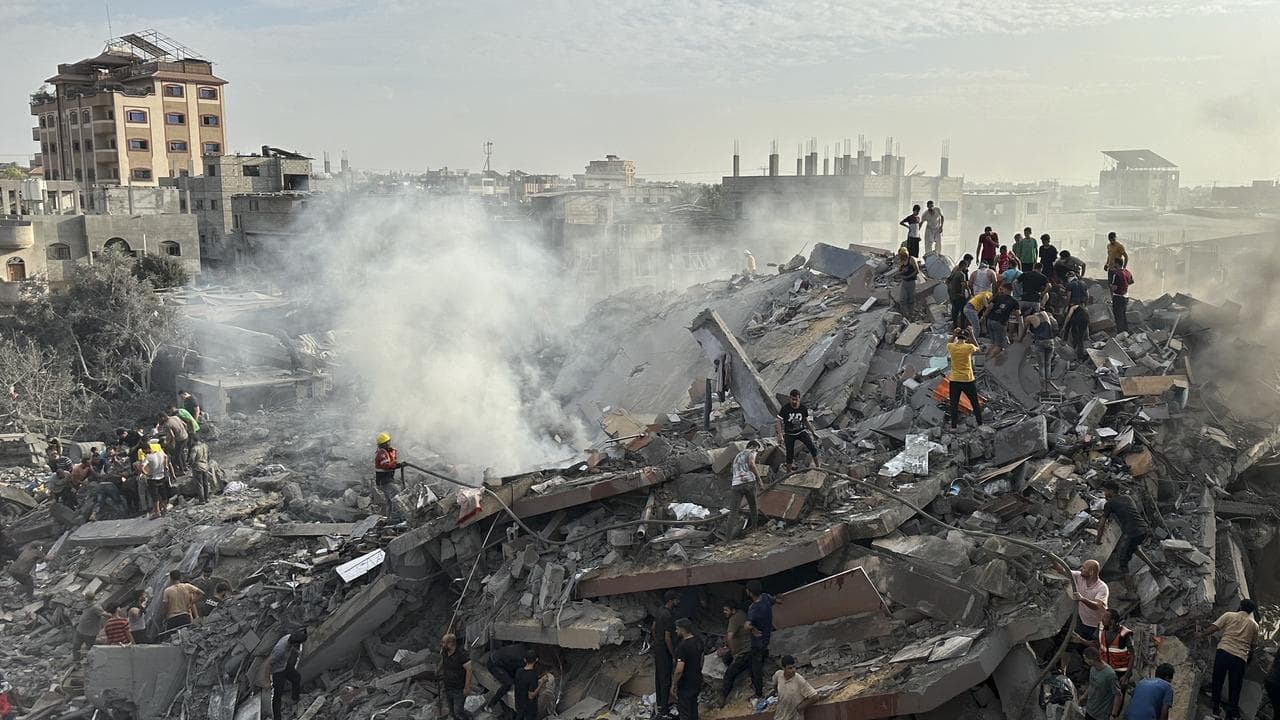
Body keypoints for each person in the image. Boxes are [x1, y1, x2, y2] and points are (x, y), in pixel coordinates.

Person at [1199, 599, 1259, 720]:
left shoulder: (1229, 615)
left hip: (1224, 651)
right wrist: (1249, 659)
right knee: (1235, 687)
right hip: (1240, 658)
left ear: (1240, 606)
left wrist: (1201, 634)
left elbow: (1214, 628)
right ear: (1252, 611)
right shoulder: (1254, 625)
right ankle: (1230, 715)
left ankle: (1215, 709)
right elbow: (1253, 646)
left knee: (1217, 681)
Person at [1097, 480, 1150, 592]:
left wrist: (1098, 540)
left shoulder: (1109, 504)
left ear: (1111, 491)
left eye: (1105, 491)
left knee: (1122, 561)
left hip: (1132, 533)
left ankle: (1130, 593)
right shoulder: (1127, 497)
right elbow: (1128, 511)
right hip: (1144, 529)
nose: (1104, 494)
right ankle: (1154, 568)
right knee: (1134, 548)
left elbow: (1101, 524)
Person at [1068, 560, 1108, 667]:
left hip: (1096, 625)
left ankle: (1090, 669)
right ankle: (1064, 669)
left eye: (1084, 568)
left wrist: (1082, 599)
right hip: (1082, 620)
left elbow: (1097, 606)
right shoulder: (1079, 576)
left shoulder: (1102, 588)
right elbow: (1063, 570)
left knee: (1093, 650)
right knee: (1070, 644)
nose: (1081, 569)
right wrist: (1052, 558)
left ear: (1091, 572)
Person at [946, 327, 982, 429]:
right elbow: (978, 348)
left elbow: (948, 343)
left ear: (958, 337)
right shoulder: (969, 347)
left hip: (954, 380)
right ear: (966, 338)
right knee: (974, 402)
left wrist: (954, 334)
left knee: (954, 404)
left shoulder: (952, 347)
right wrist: (972, 334)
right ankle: (980, 423)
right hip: (967, 380)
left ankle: (953, 426)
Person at [727, 441, 762, 541]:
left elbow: (732, 471)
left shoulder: (737, 456)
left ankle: (727, 538)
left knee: (733, 512)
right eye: (757, 449)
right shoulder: (751, 452)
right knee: (753, 505)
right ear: (753, 446)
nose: (757, 452)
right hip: (749, 482)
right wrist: (759, 480)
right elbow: (751, 464)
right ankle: (754, 529)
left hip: (736, 484)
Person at [670, 618, 704, 720]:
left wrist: (674, 684)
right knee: (693, 709)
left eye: (677, 629)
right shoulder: (699, 641)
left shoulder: (682, 647)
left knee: (685, 712)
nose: (676, 631)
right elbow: (701, 659)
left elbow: (679, 669)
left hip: (685, 684)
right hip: (697, 680)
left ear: (682, 629)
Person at [269, 630, 307, 720]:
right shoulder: (280, 650)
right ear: (294, 643)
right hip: (277, 672)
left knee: (297, 677)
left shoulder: (290, 637)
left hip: (285, 666)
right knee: (277, 696)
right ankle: (277, 718)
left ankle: (295, 698)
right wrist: (269, 679)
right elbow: (270, 663)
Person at [776, 390, 818, 470]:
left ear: (799, 398)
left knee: (812, 448)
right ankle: (788, 473)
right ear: (790, 398)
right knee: (790, 454)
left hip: (801, 432)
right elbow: (778, 421)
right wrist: (780, 435)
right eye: (793, 399)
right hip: (789, 434)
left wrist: (813, 432)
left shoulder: (803, 408)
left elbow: (805, 421)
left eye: (796, 399)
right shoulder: (785, 408)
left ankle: (818, 467)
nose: (794, 401)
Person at [653, 590, 679, 719]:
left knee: (659, 676)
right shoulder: (668, 616)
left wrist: (656, 640)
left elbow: (653, 627)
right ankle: (664, 708)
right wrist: (673, 654)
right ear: (671, 600)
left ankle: (659, 704)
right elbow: (668, 638)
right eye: (676, 599)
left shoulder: (659, 611)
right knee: (665, 678)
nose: (677, 602)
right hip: (664, 649)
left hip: (657, 647)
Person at [1078, 646, 1121, 720]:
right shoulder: (1093, 668)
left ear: (1091, 660)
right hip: (1090, 709)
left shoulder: (1110, 675)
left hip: (1101, 714)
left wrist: (1113, 715)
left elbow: (1118, 695)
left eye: (1085, 658)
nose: (1084, 661)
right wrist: (1084, 696)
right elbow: (1092, 684)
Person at [484, 643, 528, 713]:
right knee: (508, 684)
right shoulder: (519, 659)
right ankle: (490, 705)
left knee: (513, 678)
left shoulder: (522, 648)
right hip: (493, 664)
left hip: (502, 661)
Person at [771, 655, 818, 720]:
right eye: (790, 668)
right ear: (783, 668)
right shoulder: (778, 675)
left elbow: (815, 697)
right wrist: (778, 695)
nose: (793, 670)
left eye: (794, 667)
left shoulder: (799, 680)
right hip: (780, 716)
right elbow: (775, 684)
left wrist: (800, 708)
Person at [439, 633, 473, 720]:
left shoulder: (461, 654)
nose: (442, 645)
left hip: (459, 688)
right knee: (452, 711)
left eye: (444, 642)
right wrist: (438, 670)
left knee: (458, 710)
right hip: (448, 687)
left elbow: (469, 670)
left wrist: (467, 687)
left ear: (451, 643)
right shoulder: (445, 652)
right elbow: (443, 661)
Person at [374, 433, 406, 521]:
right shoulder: (381, 453)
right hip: (384, 481)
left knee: (390, 501)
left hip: (386, 480)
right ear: (382, 444)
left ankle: (389, 519)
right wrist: (397, 465)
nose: (389, 443)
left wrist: (399, 465)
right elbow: (385, 465)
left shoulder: (387, 451)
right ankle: (395, 518)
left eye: (388, 441)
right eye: (386, 442)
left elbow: (391, 464)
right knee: (396, 496)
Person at [1023, 309, 1058, 391]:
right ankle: (1048, 387)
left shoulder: (1030, 318)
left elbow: (1024, 331)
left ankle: (1043, 388)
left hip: (1040, 342)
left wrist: (1021, 338)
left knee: (1042, 366)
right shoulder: (1048, 316)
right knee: (1048, 364)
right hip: (1051, 342)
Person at [1097, 609, 1133, 682]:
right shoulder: (1101, 628)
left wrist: (1126, 676)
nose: (1102, 619)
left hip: (1120, 673)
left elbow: (1132, 655)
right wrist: (1081, 640)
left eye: (1105, 617)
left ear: (1112, 621)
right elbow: (1096, 644)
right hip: (1105, 670)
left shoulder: (1124, 634)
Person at [986, 286, 1021, 359]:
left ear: (1005, 290)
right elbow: (1018, 314)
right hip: (1000, 322)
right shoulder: (1014, 301)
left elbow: (989, 307)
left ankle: (986, 359)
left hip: (990, 320)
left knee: (993, 343)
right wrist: (1021, 325)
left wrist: (983, 317)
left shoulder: (998, 297)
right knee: (1000, 345)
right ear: (1011, 291)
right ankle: (988, 361)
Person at [143, 442, 173, 517]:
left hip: (153, 478)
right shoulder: (160, 453)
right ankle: (165, 509)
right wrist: (165, 465)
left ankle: (157, 512)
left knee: (155, 496)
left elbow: (142, 467)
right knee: (163, 494)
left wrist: (146, 473)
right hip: (162, 476)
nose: (144, 452)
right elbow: (166, 457)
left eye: (144, 451)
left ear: (147, 449)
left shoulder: (148, 457)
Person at [513, 648, 542, 720]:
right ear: (536, 660)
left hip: (519, 703)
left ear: (525, 660)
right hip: (529, 708)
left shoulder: (518, 671)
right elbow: (531, 696)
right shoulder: (533, 675)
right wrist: (542, 683)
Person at [159, 410, 189, 476]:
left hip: (180, 439)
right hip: (186, 436)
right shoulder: (175, 417)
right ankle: (185, 467)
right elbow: (185, 425)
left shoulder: (167, 424)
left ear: (162, 417)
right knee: (181, 452)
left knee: (177, 455)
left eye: (160, 419)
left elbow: (172, 436)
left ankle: (182, 470)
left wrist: (168, 442)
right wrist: (184, 432)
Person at [947, 256, 973, 328]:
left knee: (955, 311)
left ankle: (955, 326)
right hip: (959, 296)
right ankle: (962, 328)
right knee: (963, 312)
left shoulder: (955, 272)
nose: (967, 267)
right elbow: (964, 284)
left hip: (953, 295)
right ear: (964, 265)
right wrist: (967, 293)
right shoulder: (962, 274)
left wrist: (950, 289)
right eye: (967, 265)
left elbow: (947, 280)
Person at [1108, 262, 1132, 334]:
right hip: (1126, 297)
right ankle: (1126, 331)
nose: (1113, 269)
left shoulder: (1117, 274)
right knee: (1123, 315)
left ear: (1117, 265)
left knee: (1118, 316)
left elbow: (1114, 288)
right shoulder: (1127, 272)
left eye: (1113, 267)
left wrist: (1110, 286)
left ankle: (1120, 333)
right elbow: (1131, 282)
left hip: (1118, 297)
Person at [896, 248, 918, 312]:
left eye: (902, 255)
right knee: (902, 299)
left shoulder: (911, 259)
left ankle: (911, 313)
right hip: (904, 282)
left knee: (911, 299)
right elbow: (899, 273)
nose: (901, 257)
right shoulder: (901, 262)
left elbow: (917, 271)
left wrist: (908, 276)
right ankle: (905, 314)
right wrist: (902, 272)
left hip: (911, 282)